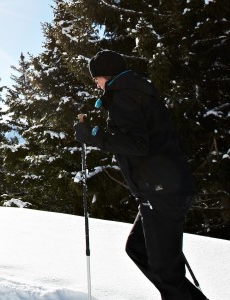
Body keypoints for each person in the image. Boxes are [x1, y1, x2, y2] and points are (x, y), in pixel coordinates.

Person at [74, 50, 207, 300]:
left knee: (165, 271)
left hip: (160, 191)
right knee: (138, 248)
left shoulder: (123, 97)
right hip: (161, 188)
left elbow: (136, 144)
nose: (96, 84)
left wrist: (93, 135)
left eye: (96, 79)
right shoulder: (135, 92)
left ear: (106, 75)